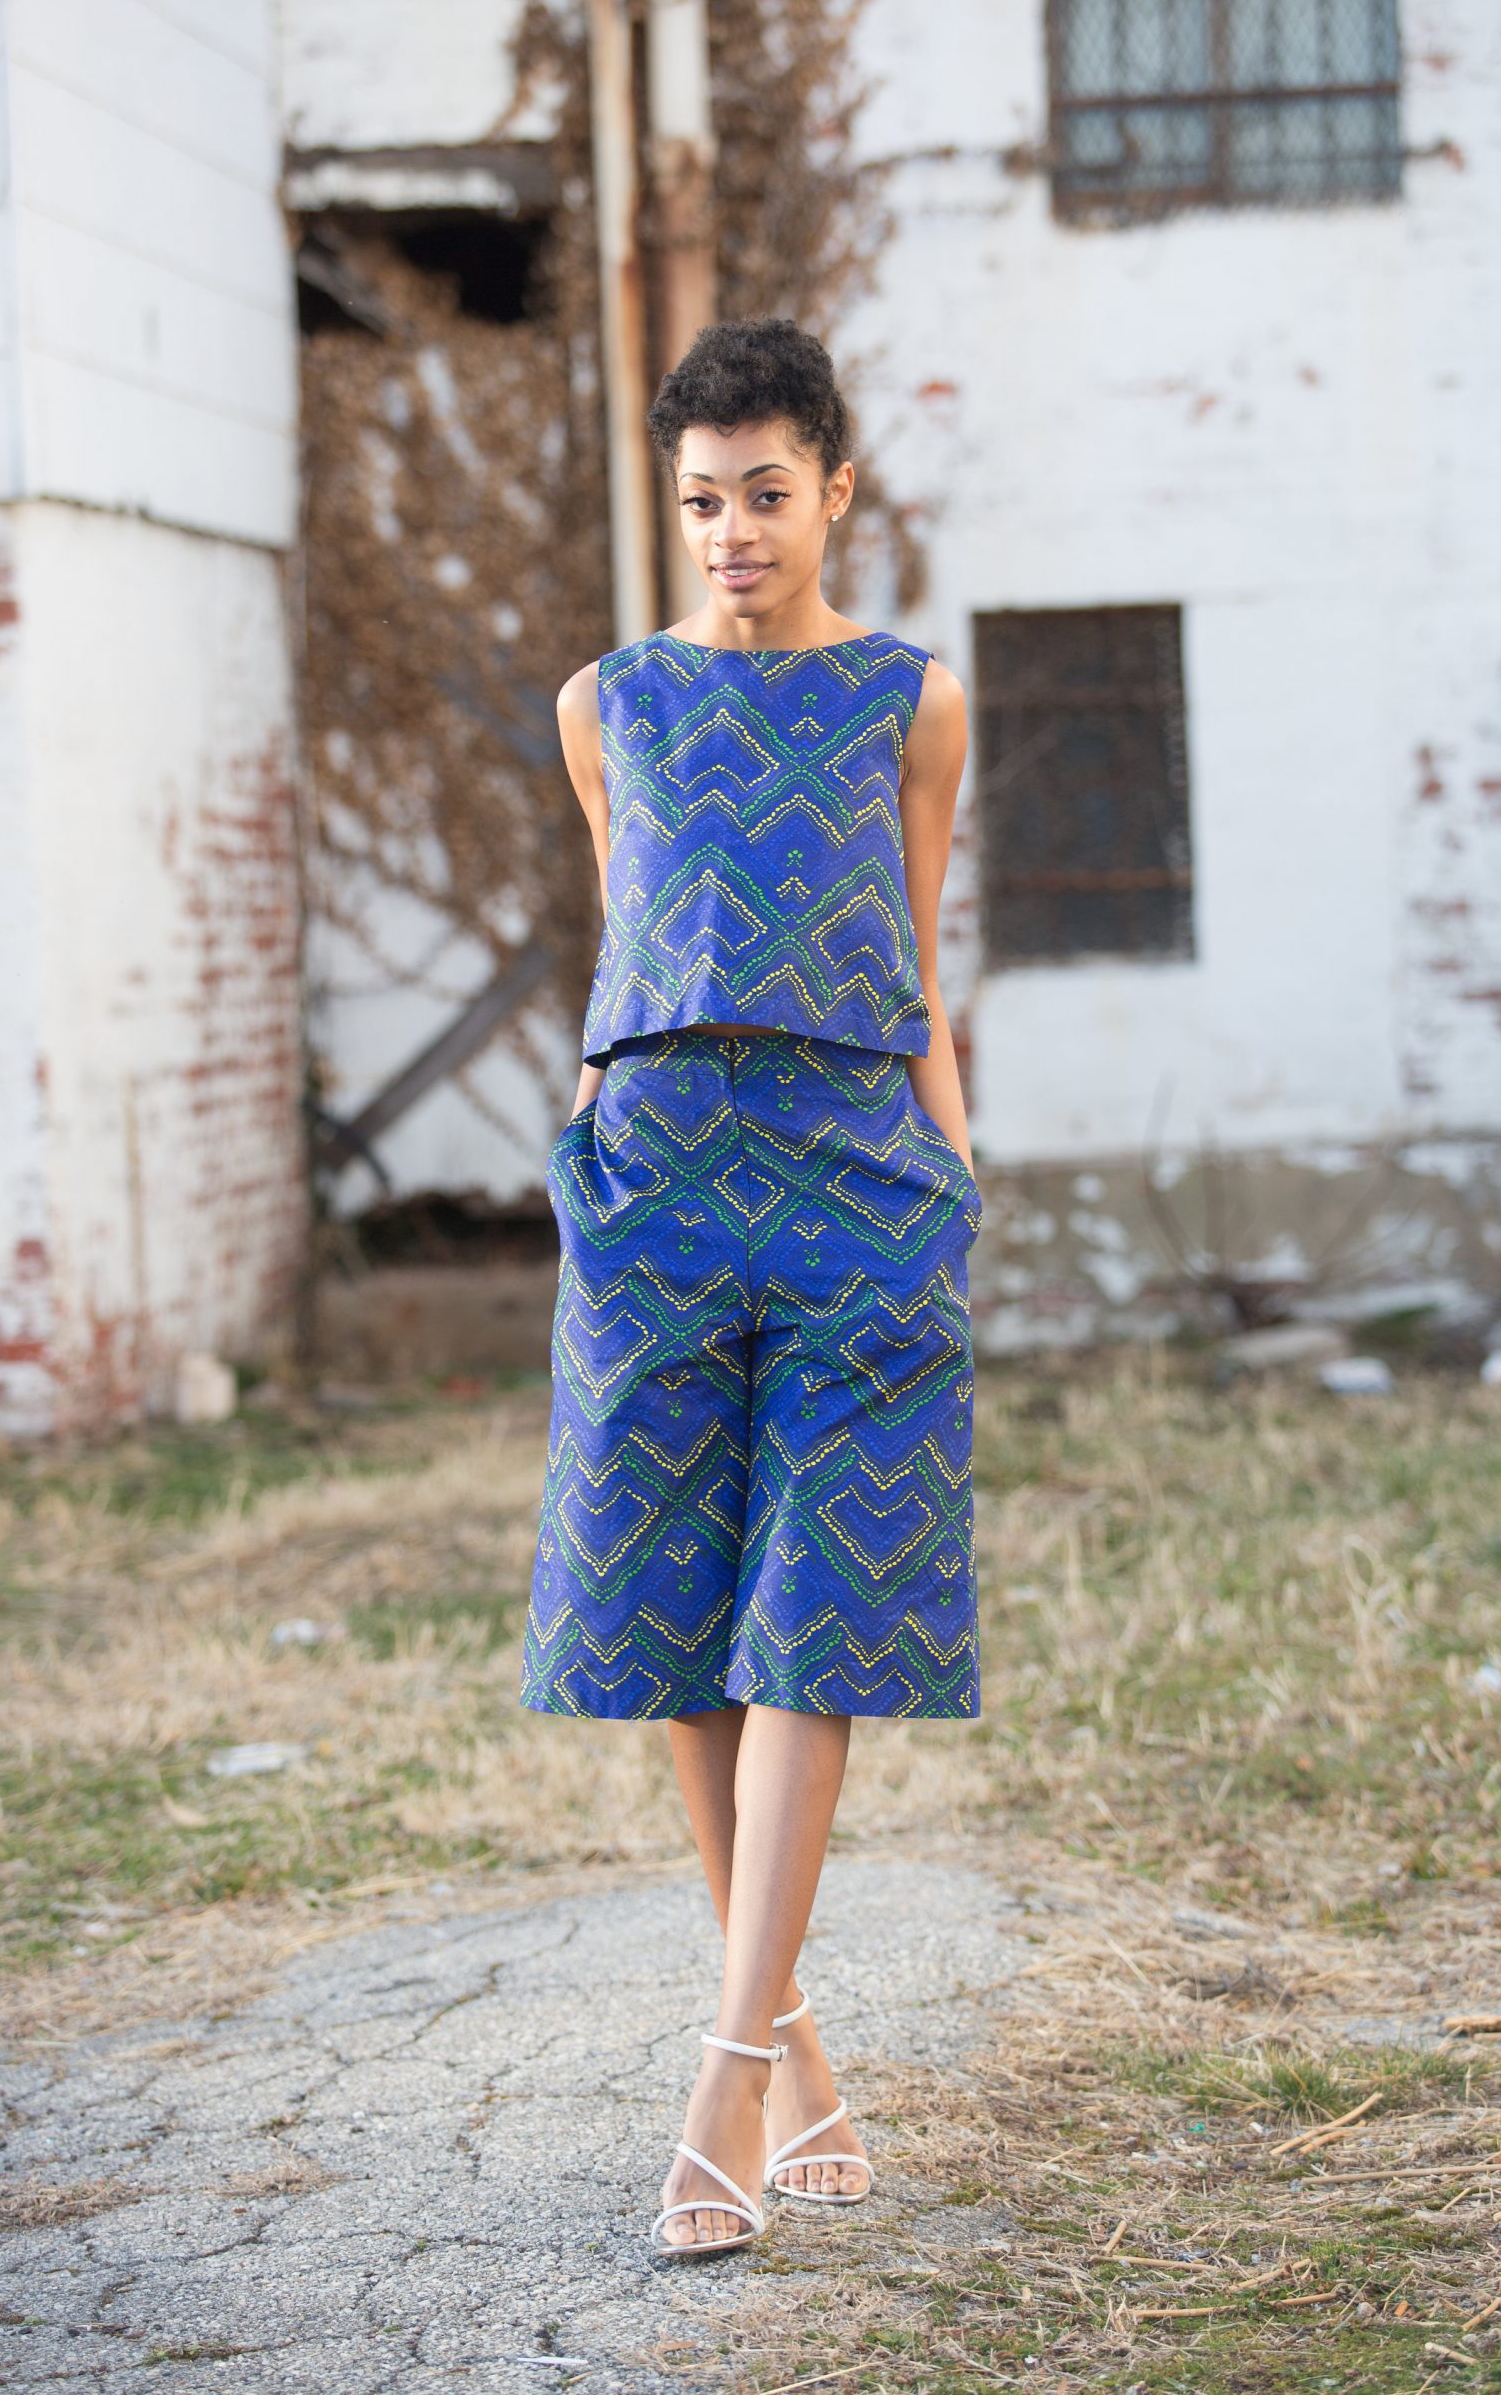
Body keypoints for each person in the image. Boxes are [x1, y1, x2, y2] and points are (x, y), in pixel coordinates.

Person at [520, 317, 981, 2258]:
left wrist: (953, 1171)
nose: (733, 530)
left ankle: (718, 2079)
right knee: (676, 1621)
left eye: (767, 494)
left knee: (818, 1614)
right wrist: (596, 1146)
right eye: (704, 499)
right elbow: (630, 929)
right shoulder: (604, 701)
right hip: (657, 1177)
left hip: (857, 1175)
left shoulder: (911, 700)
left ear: (835, 491)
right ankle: (789, 2044)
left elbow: (916, 947)